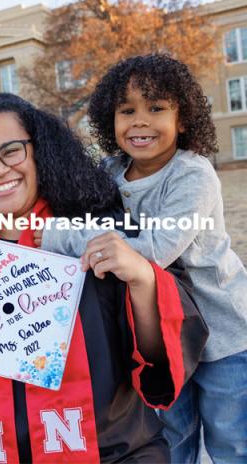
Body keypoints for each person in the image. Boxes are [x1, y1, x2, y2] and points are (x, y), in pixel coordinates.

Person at [0, 93, 208, 463]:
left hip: (113, 454)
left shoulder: (98, 235)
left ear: (41, 152)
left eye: (12, 150)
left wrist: (143, 280)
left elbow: (156, 357)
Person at [37, 54, 247, 463]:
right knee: (171, 438)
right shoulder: (110, 171)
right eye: (126, 110)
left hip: (224, 334)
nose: (139, 121)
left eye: (156, 108)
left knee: (232, 442)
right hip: (162, 337)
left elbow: (156, 250)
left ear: (182, 119)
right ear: (108, 119)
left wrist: (57, 237)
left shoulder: (193, 173)